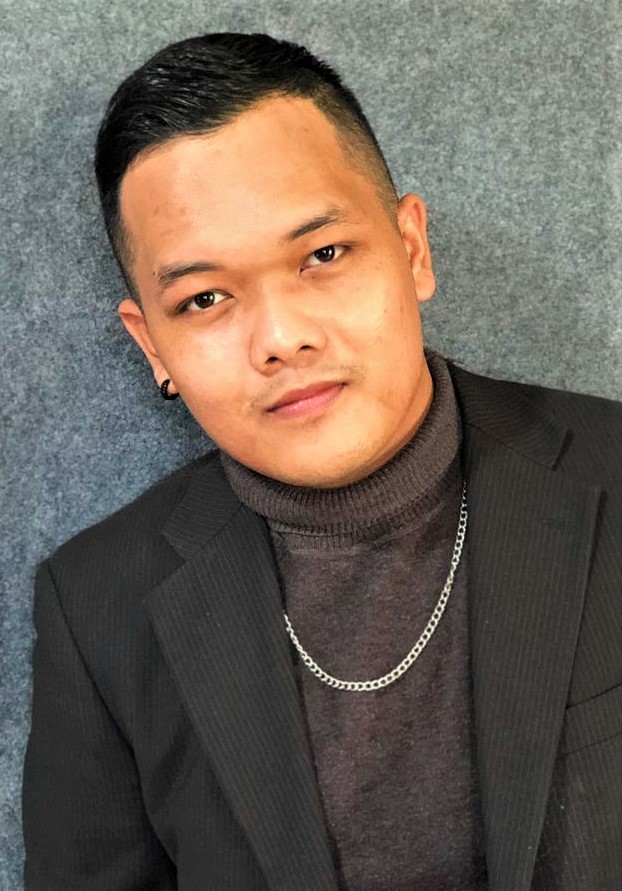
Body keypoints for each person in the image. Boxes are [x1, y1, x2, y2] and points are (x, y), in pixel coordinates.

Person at [22, 32, 622, 891]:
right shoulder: (97, 608)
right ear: (151, 343)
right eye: (204, 298)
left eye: (324, 254)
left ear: (412, 249)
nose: (281, 337)